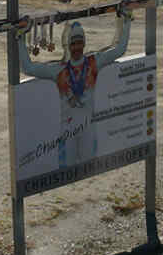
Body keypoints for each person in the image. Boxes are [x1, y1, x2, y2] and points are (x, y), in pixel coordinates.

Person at [19, 12, 132, 171]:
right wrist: (20, 37)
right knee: (66, 171)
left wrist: (126, 20)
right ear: (68, 45)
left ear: (84, 44)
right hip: (68, 131)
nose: (77, 47)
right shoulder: (59, 70)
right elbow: (28, 68)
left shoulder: (94, 62)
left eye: (80, 43)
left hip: (88, 127)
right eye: (73, 43)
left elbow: (120, 49)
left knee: (89, 169)